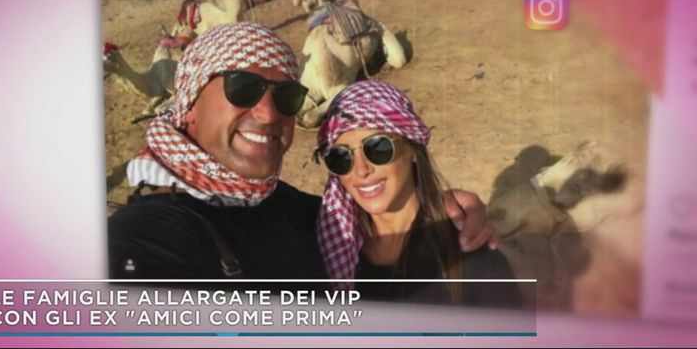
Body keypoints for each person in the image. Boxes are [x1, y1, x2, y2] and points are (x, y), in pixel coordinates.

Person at [107, 22, 495, 283]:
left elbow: (370, 224)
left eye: (286, 96)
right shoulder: (152, 232)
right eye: (242, 88)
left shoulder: (279, 204)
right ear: (189, 104)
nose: (269, 113)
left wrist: (441, 209)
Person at [315, 80, 521, 307]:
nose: (361, 170)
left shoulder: (475, 264)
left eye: (378, 148)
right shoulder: (328, 255)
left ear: (412, 148)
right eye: (341, 157)